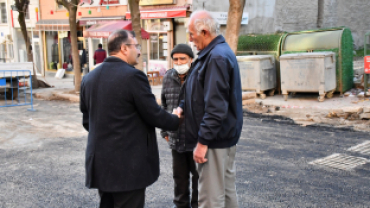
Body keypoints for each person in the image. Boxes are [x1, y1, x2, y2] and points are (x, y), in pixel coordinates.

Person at [80, 29, 180, 208]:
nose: (139, 51)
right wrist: (174, 119)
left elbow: (88, 121)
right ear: (124, 48)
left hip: (101, 164)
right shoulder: (133, 76)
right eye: (136, 46)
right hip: (127, 168)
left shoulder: (88, 78)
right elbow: (153, 114)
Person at [176, 10, 243, 208]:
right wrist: (182, 106)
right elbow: (200, 92)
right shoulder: (216, 53)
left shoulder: (215, 57)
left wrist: (203, 141)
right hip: (222, 137)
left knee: (210, 198)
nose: (190, 39)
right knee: (226, 191)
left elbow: (215, 106)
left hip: (214, 141)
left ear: (204, 32)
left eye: (191, 34)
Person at [160, 44, 198, 208]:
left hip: (195, 139)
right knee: (179, 179)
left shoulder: (198, 77)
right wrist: (164, 130)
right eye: (176, 59)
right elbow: (164, 106)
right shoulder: (168, 77)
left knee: (199, 179)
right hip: (175, 138)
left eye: (183, 58)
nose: (179, 62)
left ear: (191, 59)